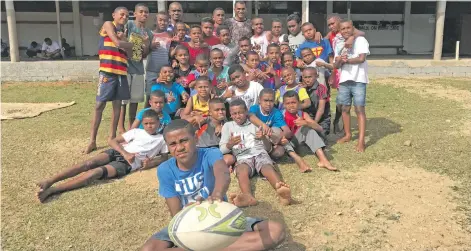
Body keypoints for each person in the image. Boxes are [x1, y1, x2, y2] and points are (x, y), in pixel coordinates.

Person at [141, 119, 286, 251]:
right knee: (148, 249)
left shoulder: (211, 154)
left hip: (220, 220)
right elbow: (175, 214)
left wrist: (216, 195)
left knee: (275, 231)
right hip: (189, 225)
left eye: (184, 141)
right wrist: (187, 214)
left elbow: (223, 174)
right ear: (167, 146)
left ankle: (208, 246)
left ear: (196, 139)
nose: (179, 148)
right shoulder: (165, 169)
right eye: (173, 144)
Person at [36, 109, 169, 203]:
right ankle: (50, 180)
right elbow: (112, 141)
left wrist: (150, 163)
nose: (149, 126)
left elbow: (164, 157)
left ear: (158, 122)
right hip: (119, 152)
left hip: (128, 164)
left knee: (95, 172)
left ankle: (53, 190)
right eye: (146, 123)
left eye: (152, 123)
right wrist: (125, 153)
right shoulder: (136, 131)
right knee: (87, 164)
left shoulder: (162, 139)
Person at [220, 99, 292, 207]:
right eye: (234, 114)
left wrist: (263, 138)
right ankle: (248, 196)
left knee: (267, 167)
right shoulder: (228, 126)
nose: (238, 116)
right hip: (242, 157)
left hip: (259, 152)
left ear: (246, 112)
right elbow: (221, 150)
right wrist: (229, 144)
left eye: (240, 112)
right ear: (230, 114)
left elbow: (268, 149)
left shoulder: (255, 123)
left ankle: (281, 190)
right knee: (241, 170)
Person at [84, 6, 133, 154]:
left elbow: (130, 55)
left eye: (126, 16)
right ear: (114, 15)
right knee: (99, 105)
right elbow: (118, 44)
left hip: (121, 73)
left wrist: (126, 42)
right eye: (121, 14)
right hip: (107, 72)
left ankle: (111, 137)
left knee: (117, 106)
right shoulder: (108, 25)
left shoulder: (126, 34)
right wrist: (128, 43)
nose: (124, 17)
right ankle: (92, 140)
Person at [249, 89, 312, 173]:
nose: (268, 104)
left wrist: (280, 138)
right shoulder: (255, 108)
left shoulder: (276, 112)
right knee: (273, 134)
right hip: (256, 139)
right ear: (259, 100)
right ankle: (297, 158)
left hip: (271, 140)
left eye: (271, 101)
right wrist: (264, 126)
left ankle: (294, 157)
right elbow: (251, 117)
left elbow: (288, 132)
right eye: (265, 100)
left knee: (279, 150)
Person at [334, 20, 370, 152]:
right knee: (345, 108)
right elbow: (336, 65)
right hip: (344, 80)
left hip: (359, 80)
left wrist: (346, 60)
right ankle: (348, 134)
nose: (345, 30)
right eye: (342, 29)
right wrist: (339, 61)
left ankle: (361, 141)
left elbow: (361, 59)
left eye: (348, 28)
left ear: (353, 28)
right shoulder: (338, 44)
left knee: (359, 109)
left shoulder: (360, 40)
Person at [327, 14, 366, 134]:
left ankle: (345, 127)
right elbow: (334, 59)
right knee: (341, 103)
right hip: (339, 71)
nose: (331, 26)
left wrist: (352, 37)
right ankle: (339, 122)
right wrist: (334, 71)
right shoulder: (333, 37)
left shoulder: (352, 35)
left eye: (333, 23)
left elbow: (362, 33)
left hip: (354, 75)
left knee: (352, 105)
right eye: (329, 24)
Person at [119, 3, 153, 134]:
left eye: (146, 12)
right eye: (141, 12)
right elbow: (121, 42)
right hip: (125, 67)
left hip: (138, 69)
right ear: (135, 13)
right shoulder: (129, 25)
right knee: (123, 101)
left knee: (134, 101)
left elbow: (144, 55)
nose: (144, 14)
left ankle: (130, 127)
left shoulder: (148, 33)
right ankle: (121, 127)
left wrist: (145, 44)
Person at [282, 91, 337, 171]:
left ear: (299, 103)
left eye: (294, 102)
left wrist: (306, 122)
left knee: (308, 129)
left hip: (297, 141)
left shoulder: (303, 114)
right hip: (286, 143)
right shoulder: (281, 115)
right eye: (288, 103)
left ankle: (323, 160)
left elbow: (320, 128)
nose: (291, 105)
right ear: (284, 104)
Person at [145, 11, 172, 107]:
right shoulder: (149, 34)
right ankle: (145, 119)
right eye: (160, 20)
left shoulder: (169, 35)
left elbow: (169, 53)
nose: (163, 23)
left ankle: (161, 119)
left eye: (165, 21)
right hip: (152, 70)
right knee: (150, 97)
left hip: (164, 72)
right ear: (156, 21)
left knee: (163, 97)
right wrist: (150, 47)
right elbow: (144, 52)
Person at [300, 67, 331, 136]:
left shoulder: (321, 88)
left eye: (310, 77)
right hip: (307, 118)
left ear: (316, 76)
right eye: (305, 77)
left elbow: (321, 109)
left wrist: (314, 123)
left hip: (321, 120)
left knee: (319, 137)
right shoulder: (301, 88)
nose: (307, 80)